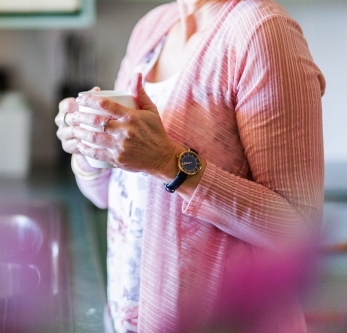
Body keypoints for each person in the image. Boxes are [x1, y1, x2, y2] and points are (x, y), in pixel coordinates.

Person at [55, 0, 326, 332]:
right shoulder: (153, 28)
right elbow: (108, 196)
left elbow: (297, 232)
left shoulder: (263, 33)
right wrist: (87, 144)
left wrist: (170, 163)